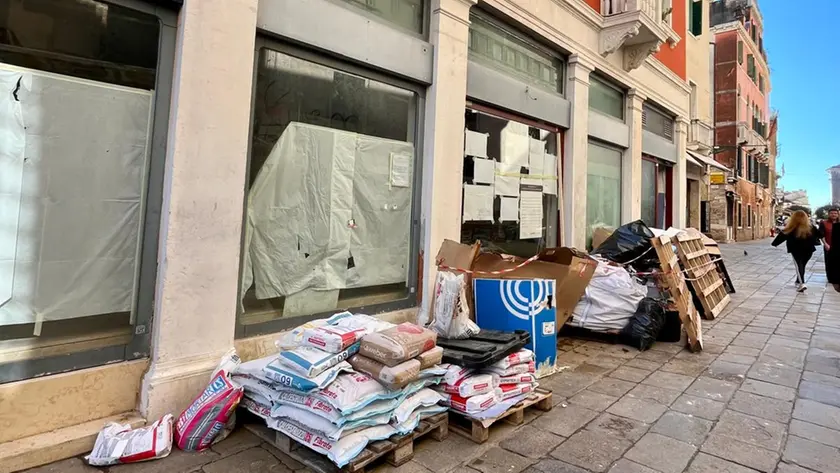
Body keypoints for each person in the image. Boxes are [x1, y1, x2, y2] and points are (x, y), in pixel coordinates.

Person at [772, 210, 819, 292]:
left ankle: (802, 283)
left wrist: (775, 243)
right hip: (809, 250)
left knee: (799, 265)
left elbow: (782, 235)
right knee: (802, 265)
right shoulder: (811, 227)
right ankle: (798, 280)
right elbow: (820, 235)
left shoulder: (791, 228)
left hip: (796, 250)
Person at [819, 208, 840, 292]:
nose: (833, 215)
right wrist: (825, 244)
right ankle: (830, 277)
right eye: (832, 213)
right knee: (829, 262)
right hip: (829, 246)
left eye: (835, 213)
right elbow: (821, 234)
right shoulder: (824, 223)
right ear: (829, 214)